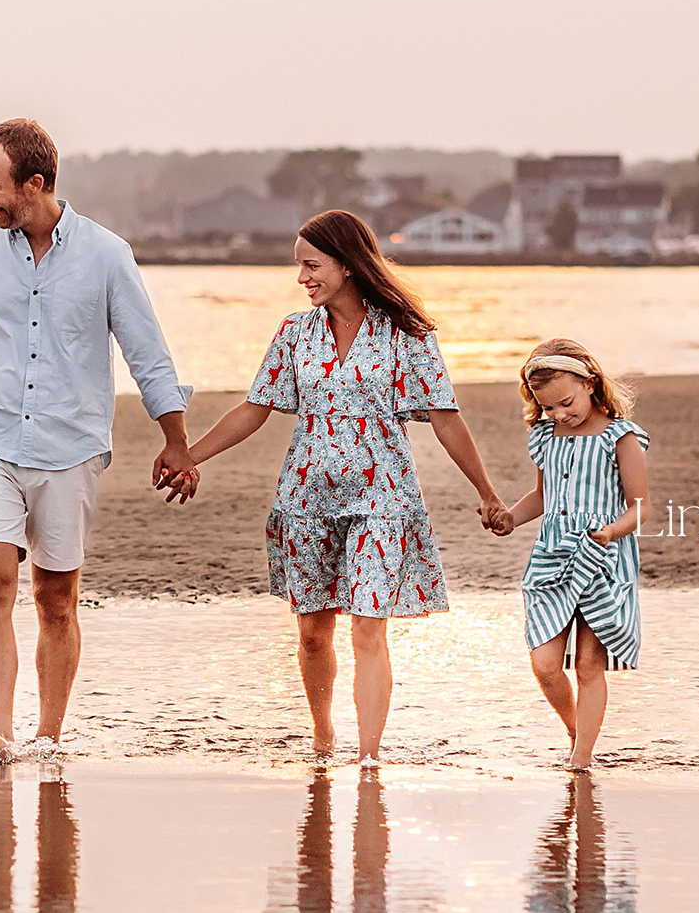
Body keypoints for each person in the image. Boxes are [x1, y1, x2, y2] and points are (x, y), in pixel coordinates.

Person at [0, 118, 195, 766]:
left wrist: (176, 442)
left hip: (71, 451)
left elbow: (148, 355)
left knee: (55, 598)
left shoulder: (107, 256)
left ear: (35, 183)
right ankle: (1, 733)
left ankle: (48, 738)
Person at [180, 209, 508, 764]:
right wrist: (189, 456)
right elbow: (256, 408)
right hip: (306, 498)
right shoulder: (294, 332)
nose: (302, 278)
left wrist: (487, 492)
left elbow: (446, 417)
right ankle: (324, 737)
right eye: (298, 267)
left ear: (348, 265)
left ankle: (369, 757)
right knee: (312, 632)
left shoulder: (405, 334)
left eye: (311, 265)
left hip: (383, 494)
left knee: (368, 627)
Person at [495, 339, 649, 768]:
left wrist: (612, 530)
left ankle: (580, 759)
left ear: (591, 383)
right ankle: (577, 729)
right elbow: (544, 496)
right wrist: (510, 517)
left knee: (587, 666)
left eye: (565, 403)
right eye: (548, 408)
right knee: (544, 664)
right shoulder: (546, 438)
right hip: (552, 557)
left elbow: (641, 506)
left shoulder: (621, 437)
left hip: (603, 558)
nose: (559, 414)